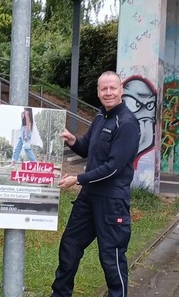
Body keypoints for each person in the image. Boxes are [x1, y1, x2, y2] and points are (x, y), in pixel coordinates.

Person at [51, 71, 140, 297]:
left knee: (111, 257)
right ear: (98, 92)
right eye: (103, 89)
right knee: (70, 246)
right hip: (88, 199)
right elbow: (86, 148)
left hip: (112, 202)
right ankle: (60, 294)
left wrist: (78, 179)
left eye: (112, 88)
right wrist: (72, 141)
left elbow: (113, 167)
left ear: (121, 90)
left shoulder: (127, 123)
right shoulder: (101, 116)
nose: (108, 93)